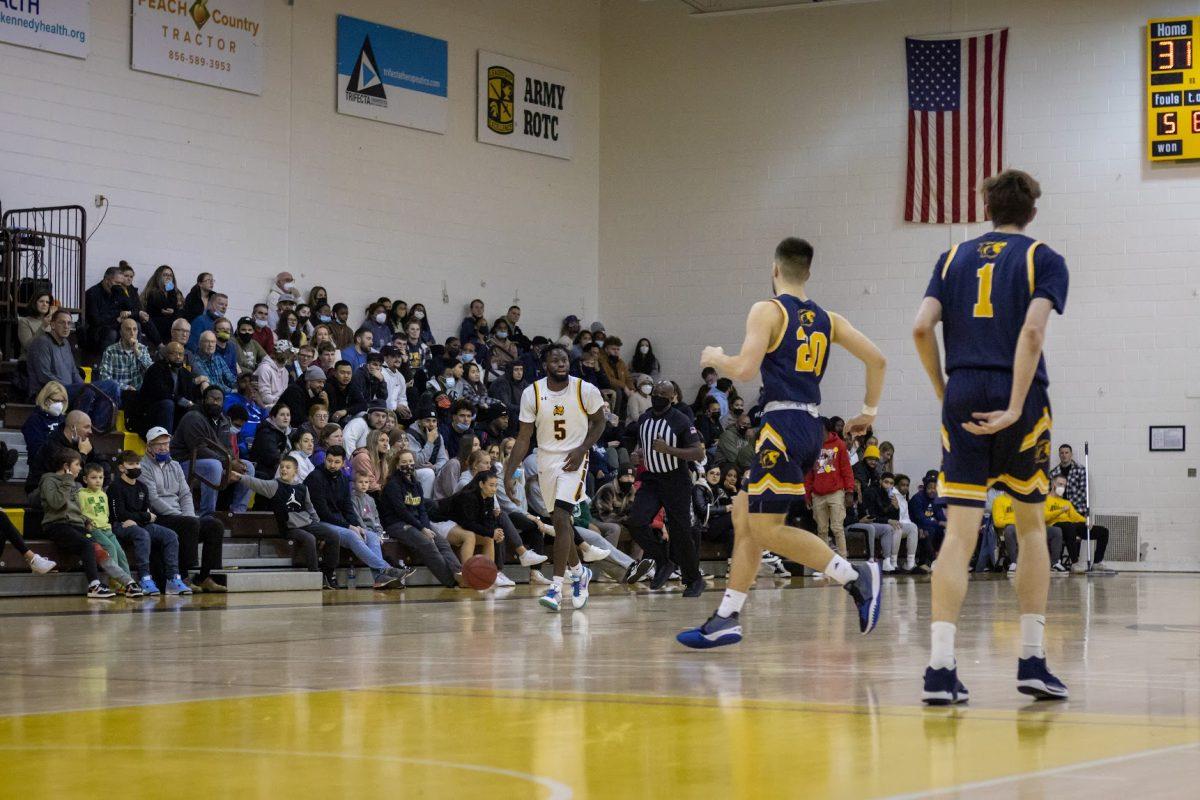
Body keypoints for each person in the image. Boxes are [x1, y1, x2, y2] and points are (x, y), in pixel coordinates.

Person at [678, 236, 886, 650]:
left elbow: (745, 368)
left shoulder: (767, 310)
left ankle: (855, 576)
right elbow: (877, 359)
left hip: (782, 425)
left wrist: (717, 358)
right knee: (745, 518)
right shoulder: (830, 319)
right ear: (807, 273)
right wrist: (868, 412)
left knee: (767, 529)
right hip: (810, 424)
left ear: (775, 270)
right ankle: (727, 617)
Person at [911, 169, 1069, 703]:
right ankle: (1031, 661)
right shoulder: (1043, 257)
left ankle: (939, 669)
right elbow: (1032, 331)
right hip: (1016, 393)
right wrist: (1017, 405)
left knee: (959, 534)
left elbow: (919, 326)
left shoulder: (952, 258)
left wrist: (944, 391)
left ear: (987, 207)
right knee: (1030, 530)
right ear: (1032, 211)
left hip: (962, 387)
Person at [504, 345, 606, 611]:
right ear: (545, 364)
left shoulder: (585, 389)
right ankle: (579, 571)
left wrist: (583, 448)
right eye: (555, 360)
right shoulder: (533, 393)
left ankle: (556, 589)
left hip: (575, 458)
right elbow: (524, 437)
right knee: (561, 525)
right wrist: (508, 472)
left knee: (561, 517)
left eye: (564, 359)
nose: (561, 363)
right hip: (545, 460)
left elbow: (600, 422)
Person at [622, 380, 706, 596]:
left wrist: (669, 450)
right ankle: (663, 561)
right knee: (636, 522)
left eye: (662, 394)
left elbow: (698, 453)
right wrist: (637, 456)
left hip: (676, 480)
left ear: (671, 398)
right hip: (651, 479)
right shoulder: (644, 418)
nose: (656, 396)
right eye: (655, 393)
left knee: (680, 533)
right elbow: (644, 447)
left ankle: (693, 579)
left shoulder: (681, 420)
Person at [303, 446, 408, 589]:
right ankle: (386, 568)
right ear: (325, 459)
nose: (332, 465)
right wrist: (349, 526)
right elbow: (322, 512)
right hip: (319, 521)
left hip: (339, 522)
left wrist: (356, 525)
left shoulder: (343, 479)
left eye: (336, 462)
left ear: (343, 463)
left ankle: (379, 578)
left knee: (370, 536)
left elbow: (348, 508)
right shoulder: (315, 477)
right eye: (329, 461)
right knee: (352, 536)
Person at [230, 456, 341, 583]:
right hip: (289, 528)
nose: (284, 470)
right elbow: (256, 483)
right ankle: (314, 575)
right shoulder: (274, 485)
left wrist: (319, 527)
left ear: (295, 471)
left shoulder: (302, 488)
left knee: (333, 535)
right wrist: (240, 476)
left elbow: (311, 509)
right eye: (282, 467)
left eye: (288, 467)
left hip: (307, 524)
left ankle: (329, 572)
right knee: (309, 538)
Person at [108, 449, 196, 594]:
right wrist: (142, 517)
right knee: (142, 534)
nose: (136, 467)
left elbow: (149, 514)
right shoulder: (115, 487)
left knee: (170, 535)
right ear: (121, 467)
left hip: (139, 524)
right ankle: (145, 578)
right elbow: (119, 514)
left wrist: (139, 518)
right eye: (131, 464)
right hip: (120, 525)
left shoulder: (142, 487)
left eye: (137, 463)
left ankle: (173, 579)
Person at [38, 449, 117, 598]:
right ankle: (94, 585)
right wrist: (67, 480)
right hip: (57, 524)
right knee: (87, 544)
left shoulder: (75, 484)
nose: (80, 468)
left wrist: (85, 520)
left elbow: (77, 508)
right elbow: (57, 503)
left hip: (76, 525)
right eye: (77, 464)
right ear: (66, 466)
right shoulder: (49, 480)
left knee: (102, 545)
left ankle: (124, 582)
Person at [26, 309, 121, 430]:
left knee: (112, 386)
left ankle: (96, 427)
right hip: (48, 393)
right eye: (62, 323)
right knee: (90, 390)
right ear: (53, 325)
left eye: (69, 323)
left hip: (69, 390)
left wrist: (85, 386)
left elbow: (73, 372)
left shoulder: (66, 343)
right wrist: (80, 388)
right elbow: (44, 375)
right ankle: (78, 426)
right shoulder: (41, 342)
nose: (66, 327)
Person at [170, 386, 252, 516]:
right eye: (211, 399)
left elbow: (227, 447)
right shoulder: (193, 417)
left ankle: (238, 513)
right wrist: (229, 462)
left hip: (214, 462)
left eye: (218, 399)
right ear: (203, 400)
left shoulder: (224, 420)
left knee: (248, 467)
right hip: (183, 463)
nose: (215, 402)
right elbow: (200, 449)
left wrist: (235, 462)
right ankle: (207, 514)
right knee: (213, 466)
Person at [77, 463, 144, 597]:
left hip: (107, 528)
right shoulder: (81, 494)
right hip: (94, 529)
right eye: (93, 477)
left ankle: (130, 584)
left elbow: (106, 513)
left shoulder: (103, 494)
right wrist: (87, 523)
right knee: (110, 548)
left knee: (121, 553)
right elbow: (79, 512)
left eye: (100, 477)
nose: (98, 481)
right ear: (85, 480)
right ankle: (116, 582)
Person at [804, 417, 855, 558]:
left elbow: (846, 469)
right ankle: (824, 563)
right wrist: (807, 494)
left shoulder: (839, 445)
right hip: (817, 494)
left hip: (836, 492)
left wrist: (850, 491)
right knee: (821, 529)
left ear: (825, 429)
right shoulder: (812, 447)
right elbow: (809, 474)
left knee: (837, 528)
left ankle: (844, 560)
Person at [992, 490, 1066, 574]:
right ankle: (1014, 563)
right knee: (1010, 529)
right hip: (1013, 528)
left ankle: (1054, 563)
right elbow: (998, 522)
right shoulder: (998, 500)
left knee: (1056, 531)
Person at [138, 341, 202, 434]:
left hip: (176, 411)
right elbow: (161, 393)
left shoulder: (186, 374)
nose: (178, 357)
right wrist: (181, 400)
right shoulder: (156, 369)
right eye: (174, 353)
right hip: (153, 410)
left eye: (181, 354)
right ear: (166, 355)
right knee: (168, 403)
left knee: (195, 409)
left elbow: (189, 396)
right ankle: (165, 439)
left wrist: (192, 404)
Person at [1047, 475, 1108, 571]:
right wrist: (1061, 511)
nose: (1062, 487)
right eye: (1060, 484)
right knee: (1069, 526)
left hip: (1070, 526)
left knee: (1103, 531)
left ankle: (1097, 562)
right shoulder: (1045, 500)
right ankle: (1075, 563)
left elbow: (1075, 516)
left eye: (1064, 485)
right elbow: (1044, 517)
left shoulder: (1066, 502)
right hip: (1055, 526)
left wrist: (1086, 521)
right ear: (1053, 484)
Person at [22, 381, 68, 467]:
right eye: (56, 400)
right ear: (46, 400)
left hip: (62, 467)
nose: (60, 404)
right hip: (40, 469)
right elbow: (36, 449)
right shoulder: (35, 420)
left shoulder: (63, 420)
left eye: (62, 401)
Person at [83, 266, 126, 350]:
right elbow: (95, 320)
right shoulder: (92, 293)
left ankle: (132, 360)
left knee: (134, 326)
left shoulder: (118, 292)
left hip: (113, 325)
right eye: (117, 283)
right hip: (95, 331)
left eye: (121, 284)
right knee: (111, 333)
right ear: (106, 280)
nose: (119, 286)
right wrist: (116, 319)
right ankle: (105, 362)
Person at [141, 265, 185, 342]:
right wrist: (170, 289)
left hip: (171, 325)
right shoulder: (153, 292)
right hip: (156, 324)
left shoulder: (176, 293)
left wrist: (174, 311)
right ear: (159, 277)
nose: (168, 277)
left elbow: (176, 309)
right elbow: (166, 307)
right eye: (165, 275)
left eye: (171, 275)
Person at [249, 403, 292, 479]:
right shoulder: (266, 433)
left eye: (288, 415)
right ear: (273, 417)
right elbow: (273, 458)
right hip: (263, 473)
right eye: (282, 415)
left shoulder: (288, 433)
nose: (286, 418)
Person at [254, 341, 293, 408]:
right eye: (289, 353)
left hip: (279, 406)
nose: (291, 356)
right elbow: (264, 397)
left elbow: (284, 394)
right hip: (264, 407)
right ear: (281, 354)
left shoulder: (285, 371)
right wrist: (283, 402)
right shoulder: (264, 369)